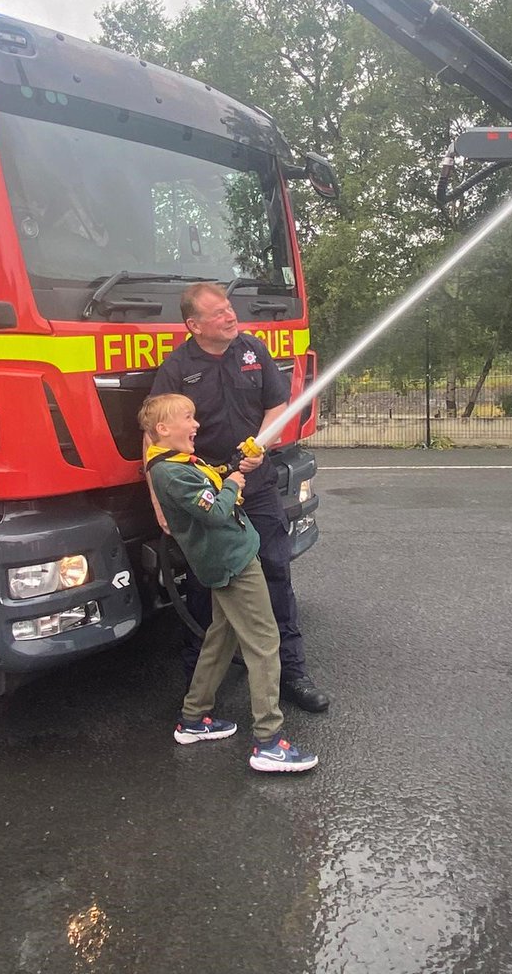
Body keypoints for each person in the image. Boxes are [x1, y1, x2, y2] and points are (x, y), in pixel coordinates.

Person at [148, 281, 329, 713]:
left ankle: (292, 674)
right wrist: (158, 501)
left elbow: (276, 405)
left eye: (229, 308)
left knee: (275, 574)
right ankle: (199, 690)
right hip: (206, 493)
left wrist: (260, 444)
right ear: (194, 325)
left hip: (257, 485)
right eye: (218, 313)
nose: (231, 316)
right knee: (204, 587)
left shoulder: (253, 350)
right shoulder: (176, 369)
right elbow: (155, 435)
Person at [139, 393, 318, 774]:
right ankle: (269, 741)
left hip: (230, 557)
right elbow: (216, 511)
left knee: (221, 637)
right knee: (264, 642)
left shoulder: (177, 462)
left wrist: (234, 465)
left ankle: (193, 718)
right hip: (233, 563)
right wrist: (234, 483)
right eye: (188, 418)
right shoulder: (170, 473)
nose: (196, 425)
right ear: (163, 429)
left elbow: (209, 482)